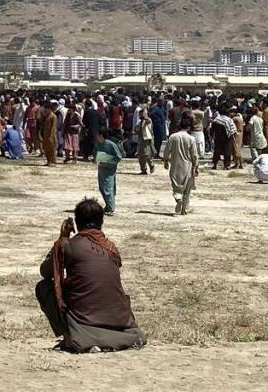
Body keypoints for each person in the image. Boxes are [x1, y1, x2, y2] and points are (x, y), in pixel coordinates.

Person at [36, 198, 146, 353]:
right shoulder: (111, 247)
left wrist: (62, 239)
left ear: (77, 223)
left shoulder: (70, 245)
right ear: (101, 222)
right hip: (120, 321)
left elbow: (45, 272)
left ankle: (71, 337)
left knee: (43, 287)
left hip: (84, 319)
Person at [164, 113, 200, 215]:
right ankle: (184, 209)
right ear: (189, 127)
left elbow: (167, 151)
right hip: (187, 166)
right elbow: (194, 155)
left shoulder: (172, 137)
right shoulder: (191, 139)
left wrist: (166, 161)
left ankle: (178, 198)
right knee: (187, 189)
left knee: (176, 186)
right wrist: (196, 166)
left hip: (175, 165)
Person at [94, 128, 123, 215]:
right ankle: (108, 206)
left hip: (109, 169)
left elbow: (119, 157)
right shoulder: (98, 144)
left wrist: (108, 161)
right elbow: (96, 153)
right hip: (101, 168)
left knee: (108, 188)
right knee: (102, 187)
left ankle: (111, 207)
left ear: (101, 135)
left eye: (98, 135)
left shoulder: (111, 144)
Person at [136, 108, 155, 174]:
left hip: (146, 139)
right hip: (141, 139)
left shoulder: (148, 120)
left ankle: (151, 165)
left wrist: (145, 117)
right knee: (140, 155)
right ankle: (143, 169)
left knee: (146, 154)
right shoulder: (140, 122)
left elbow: (148, 122)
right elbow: (138, 129)